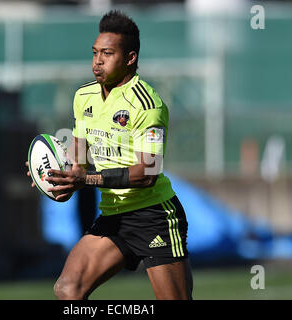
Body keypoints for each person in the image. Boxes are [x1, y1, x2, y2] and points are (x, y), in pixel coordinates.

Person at [26, 10, 193, 300]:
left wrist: (85, 179)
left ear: (130, 58)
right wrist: (60, 178)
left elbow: (148, 174)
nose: (97, 61)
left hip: (154, 216)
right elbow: (79, 154)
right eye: (94, 53)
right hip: (114, 216)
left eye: (107, 53)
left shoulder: (147, 104)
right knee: (68, 289)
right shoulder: (84, 97)